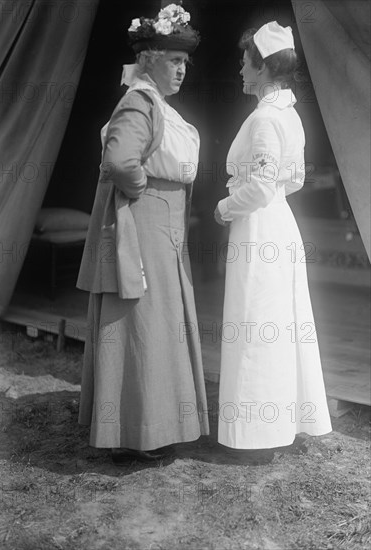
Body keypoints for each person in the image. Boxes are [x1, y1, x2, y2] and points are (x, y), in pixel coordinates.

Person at [77, 4, 209, 463]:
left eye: (185, 63)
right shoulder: (138, 101)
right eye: (174, 60)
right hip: (146, 224)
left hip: (164, 227)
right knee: (142, 323)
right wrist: (142, 192)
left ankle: (153, 426)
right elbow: (118, 162)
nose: (181, 70)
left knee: (158, 326)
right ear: (149, 57)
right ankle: (135, 433)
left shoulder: (157, 104)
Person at [214, 21, 332, 457]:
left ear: (263, 68)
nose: (241, 69)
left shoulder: (265, 117)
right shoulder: (290, 114)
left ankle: (255, 434)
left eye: (246, 62)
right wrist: (266, 192)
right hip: (279, 223)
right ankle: (276, 423)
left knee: (255, 321)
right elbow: (294, 178)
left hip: (260, 225)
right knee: (277, 324)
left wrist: (226, 207)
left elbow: (262, 185)